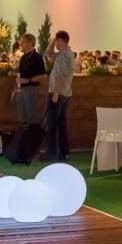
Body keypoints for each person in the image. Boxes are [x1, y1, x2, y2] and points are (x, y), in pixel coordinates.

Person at [42, 30, 75, 161]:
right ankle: (63, 151)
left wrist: (55, 93)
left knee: (51, 124)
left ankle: (51, 153)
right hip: (65, 94)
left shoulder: (64, 55)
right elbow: (48, 54)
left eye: (56, 40)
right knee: (61, 124)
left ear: (61, 40)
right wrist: (51, 42)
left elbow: (61, 76)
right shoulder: (65, 53)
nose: (55, 43)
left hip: (59, 93)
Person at [12, 33, 47, 124]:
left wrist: (28, 80)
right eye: (21, 42)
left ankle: (32, 135)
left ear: (31, 43)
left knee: (31, 115)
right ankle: (24, 134)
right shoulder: (23, 58)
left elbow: (44, 76)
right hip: (20, 89)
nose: (21, 44)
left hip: (31, 88)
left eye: (24, 42)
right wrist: (15, 90)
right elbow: (19, 75)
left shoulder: (37, 57)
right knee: (22, 116)